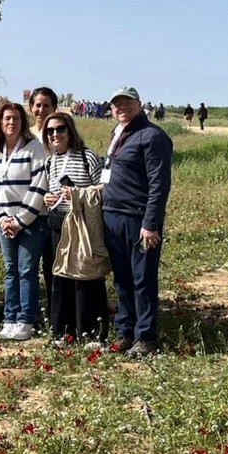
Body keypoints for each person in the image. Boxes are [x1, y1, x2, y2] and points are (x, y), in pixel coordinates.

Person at [102, 87, 173, 357]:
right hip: (112, 215)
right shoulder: (118, 132)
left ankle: (145, 337)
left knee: (142, 278)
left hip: (138, 218)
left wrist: (151, 223)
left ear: (139, 104)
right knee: (122, 278)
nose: (122, 108)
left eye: (127, 103)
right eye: (117, 104)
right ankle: (125, 331)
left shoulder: (152, 136)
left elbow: (159, 184)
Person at [0, 103, 48, 342]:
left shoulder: (34, 147)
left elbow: (39, 186)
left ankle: (25, 319)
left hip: (30, 221)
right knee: (10, 270)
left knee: (26, 269)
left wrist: (19, 220)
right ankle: (10, 317)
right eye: (7, 118)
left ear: (22, 122)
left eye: (16, 118)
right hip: (3, 222)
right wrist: (0, 218)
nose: (11, 123)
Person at [40, 113, 106, 345]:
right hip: (58, 223)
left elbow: (103, 188)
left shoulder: (88, 156)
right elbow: (53, 190)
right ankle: (63, 332)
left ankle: (91, 333)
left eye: (60, 129)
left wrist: (78, 194)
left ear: (70, 130)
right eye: (50, 131)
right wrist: (49, 198)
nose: (55, 135)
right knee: (60, 277)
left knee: (87, 276)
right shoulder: (50, 160)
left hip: (83, 225)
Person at [27, 87, 59, 315]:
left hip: (53, 212)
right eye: (37, 105)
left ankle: (54, 311)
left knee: (53, 266)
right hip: (28, 212)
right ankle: (31, 313)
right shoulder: (24, 135)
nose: (41, 109)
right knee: (26, 267)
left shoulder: (60, 133)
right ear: (31, 108)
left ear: (54, 108)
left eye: (46, 105)